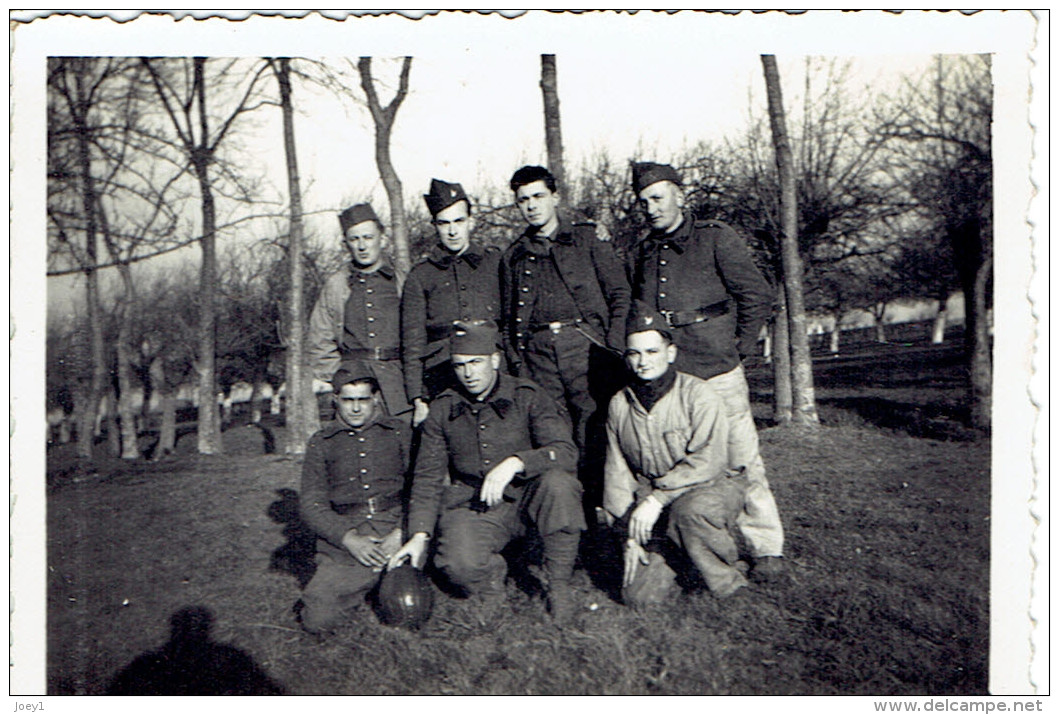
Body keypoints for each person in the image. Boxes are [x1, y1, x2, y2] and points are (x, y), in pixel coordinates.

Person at [627, 161, 785, 582]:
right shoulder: (642, 252)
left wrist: (740, 348)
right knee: (682, 461)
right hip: (671, 379)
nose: (651, 208)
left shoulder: (715, 238)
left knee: (742, 457)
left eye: (658, 198)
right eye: (643, 202)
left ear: (681, 195)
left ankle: (765, 546)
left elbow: (756, 294)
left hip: (716, 368)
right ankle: (692, 545)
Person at [388, 321, 586, 626]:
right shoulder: (443, 409)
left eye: (476, 362)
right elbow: (427, 477)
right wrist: (418, 536)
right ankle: (492, 582)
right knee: (458, 564)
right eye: (460, 365)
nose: (468, 374)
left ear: (495, 360)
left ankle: (558, 586)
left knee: (559, 485)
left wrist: (517, 462)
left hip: (528, 499)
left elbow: (566, 451)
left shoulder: (527, 396)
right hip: (476, 504)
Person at [499, 165, 630, 506]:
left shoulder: (587, 239)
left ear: (555, 197)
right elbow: (508, 315)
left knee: (596, 431)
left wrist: (614, 346)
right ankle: (570, 523)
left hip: (586, 348)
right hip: (538, 356)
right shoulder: (513, 256)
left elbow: (619, 294)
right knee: (554, 435)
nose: (532, 205)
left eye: (538, 196)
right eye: (523, 199)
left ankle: (606, 520)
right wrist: (517, 360)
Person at [604, 301, 750, 605]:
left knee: (690, 512)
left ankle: (728, 581)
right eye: (634, 353)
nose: (643, 362)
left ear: (670, 353)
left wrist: (658, 498)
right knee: (638, 598)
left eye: (652, 352)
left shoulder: (698, 394)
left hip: (710, 487)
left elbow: (708, 462)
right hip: (653, 499)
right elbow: (617, 473)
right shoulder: (620, 404)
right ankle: (682, 559)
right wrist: (627, 536)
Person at [298, 363, 410, 634]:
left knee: (408, 609)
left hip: (396, 527)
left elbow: (424, 488)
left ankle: (383, 580)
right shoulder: (321, 442)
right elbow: (311, 505)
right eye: (348, 400)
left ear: (376, 399)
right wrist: (349, 539)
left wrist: (403, 531)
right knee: (318, 617)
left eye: (363, 400)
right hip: (349, 535)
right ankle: (367, 581)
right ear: (335, 399)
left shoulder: (399, 432)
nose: (356, 408)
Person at [401, 179, 502, 427]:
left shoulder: (495, 263)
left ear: (471, 221)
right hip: (441, 374)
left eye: (459, 221)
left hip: (492, 372)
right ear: (434, 226)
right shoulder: (421, 275)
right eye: (444, 223)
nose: (453, 231)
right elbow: (413, 342)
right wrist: (417, 398)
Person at [307, 202, 411, 418]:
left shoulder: (404, 280)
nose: (362, 246)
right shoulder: (336, 285)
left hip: (399, 386)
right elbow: (320, 339)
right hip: (354, 391)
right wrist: (341, 380)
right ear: (346, 244)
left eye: (368, 237)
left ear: (382, 239)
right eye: (354, 239)